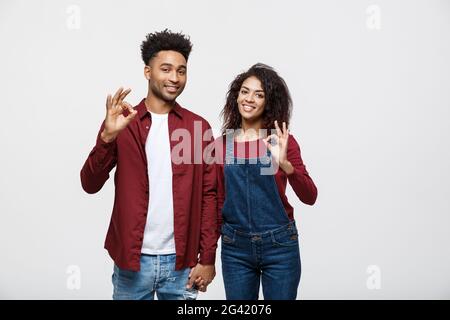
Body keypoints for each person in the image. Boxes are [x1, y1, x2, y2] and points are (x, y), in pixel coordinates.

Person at [80, 29, 217, 300]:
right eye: (165, 69)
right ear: (147, 72)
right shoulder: (124, 123)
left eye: (181, 71)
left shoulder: (196, 128)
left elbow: (209, 195)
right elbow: (89, 184)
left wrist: (208, 257)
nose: (174, 78)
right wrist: (107, 137)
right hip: (132, 260)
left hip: (182, 263)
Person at [215, 63, 318, 300]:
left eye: (258, 94)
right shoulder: (221, 145)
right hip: (235, 248)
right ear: (236, 96)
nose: (249, 99)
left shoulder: (283, 141)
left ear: (268, 102)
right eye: (244, 91)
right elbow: (217, 201)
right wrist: (206, 255)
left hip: (280, 245)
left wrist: (285, 164)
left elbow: (310, 196)